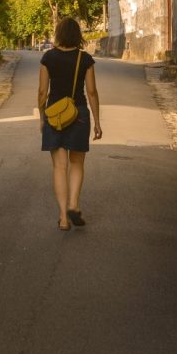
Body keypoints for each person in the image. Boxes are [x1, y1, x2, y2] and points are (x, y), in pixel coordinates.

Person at [37, 16, 102, 230]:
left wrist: (41, 117)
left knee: (59, 166)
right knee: (77, 163)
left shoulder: (48, 57)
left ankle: (63, 217)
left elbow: (42, 91)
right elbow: (91, 91)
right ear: (78, 36)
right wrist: (98, 121)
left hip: (55, 114)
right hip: (79, 113)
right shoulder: (85, 59)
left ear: (59, 34)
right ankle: (74, 204)